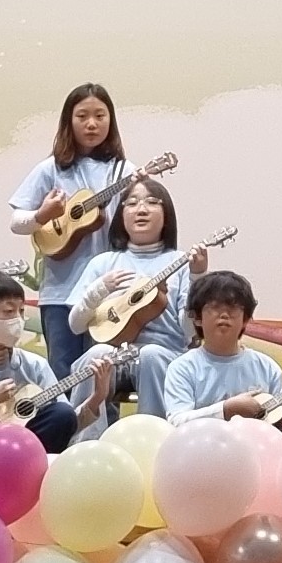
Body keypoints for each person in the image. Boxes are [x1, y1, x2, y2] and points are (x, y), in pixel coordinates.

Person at [10, 82, 128, 382]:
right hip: (59, 293)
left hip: (108, 292)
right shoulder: (50, 169)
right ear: (68, 121)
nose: (92, 124)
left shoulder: (123, 171)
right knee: (61, 376)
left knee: (103, 375)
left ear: (111, 120)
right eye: (82, 116)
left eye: (100, 116)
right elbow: (17, 222)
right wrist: (42, 216)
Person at [0, 270, 115, 452]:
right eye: (9, 311)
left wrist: (97, 397)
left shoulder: (35, 365)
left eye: (21, 311)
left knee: (62, 413)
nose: (18, 320)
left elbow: (68, 421)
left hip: (25, 452)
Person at [79, 176, 209, 422]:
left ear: (166, 214)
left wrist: (197, 276)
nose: (141, 209)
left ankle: (156, 434)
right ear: (121, 215)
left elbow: (189, 331)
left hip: (165, 355)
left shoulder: (181, 262)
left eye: (151, 202)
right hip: (114, 353)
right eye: (132, 203)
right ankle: (83, 437)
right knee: (97, 355)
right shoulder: (102, 263)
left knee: (151, 355)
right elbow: (77, 323)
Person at [163, 270, 282, 422]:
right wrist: (226, 409)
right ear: (197, 317)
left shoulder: (267, 367)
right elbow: (177, 421)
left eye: (233, 308)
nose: (224, 314)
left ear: (245, 319)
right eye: (215, 307)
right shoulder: (182, 368)